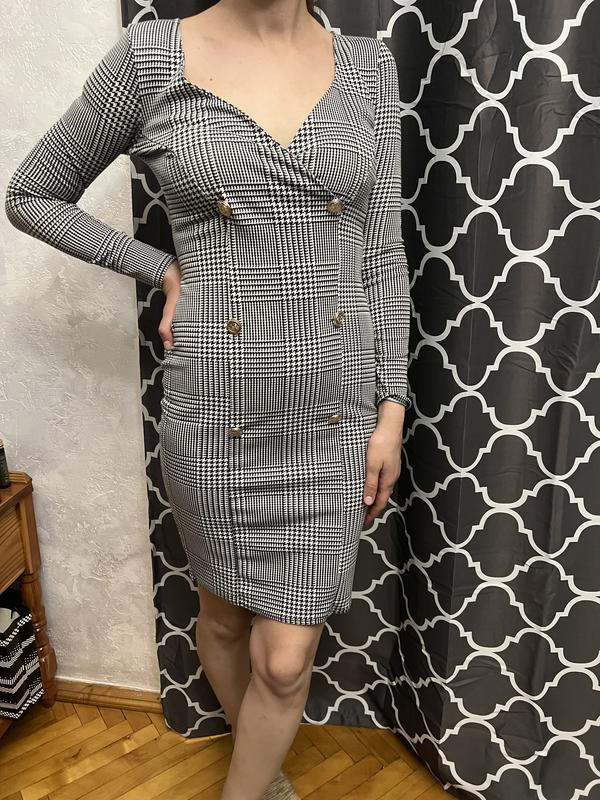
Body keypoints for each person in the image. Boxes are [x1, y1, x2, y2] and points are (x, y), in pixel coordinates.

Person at [4, 1, 411, 798]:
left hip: (334, 412)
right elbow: (33, 193)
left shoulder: (368, 66)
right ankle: (263, 780)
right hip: (217, 407)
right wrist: (160, 268)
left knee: (286, 660)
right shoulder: (152, 56)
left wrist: (390, 408)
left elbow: (384, 255)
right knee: (222, 617)